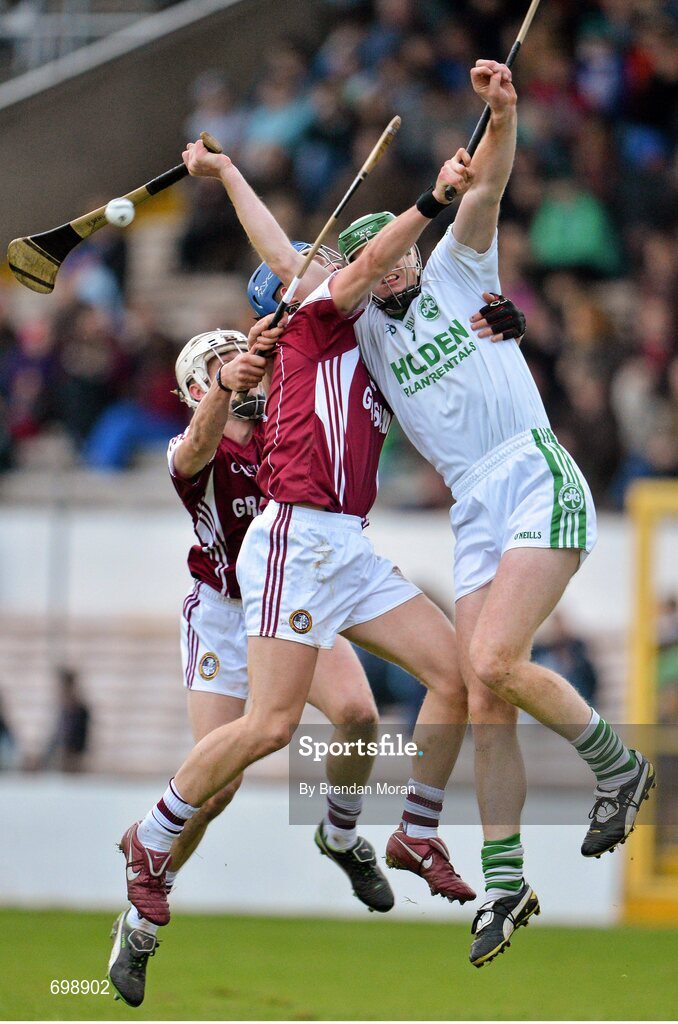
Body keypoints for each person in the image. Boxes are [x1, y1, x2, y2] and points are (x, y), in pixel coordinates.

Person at [182, 56, 655, 969]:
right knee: (482, 693)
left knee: (491, 660)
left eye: (394, 250)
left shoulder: (458, 268)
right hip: (472, 509)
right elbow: (287, 260)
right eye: (375, 256)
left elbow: (487, 188)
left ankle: (621, 766)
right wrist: (229, 171)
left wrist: (502, 113)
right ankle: (506, 879)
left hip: (530, 471)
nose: (391, 263)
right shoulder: (355, 330)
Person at [117, 143, 484, 948]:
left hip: (345, 545)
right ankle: (150, 836)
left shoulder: (368, 338)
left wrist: (226, 172)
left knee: (453, 674)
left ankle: (411, 829)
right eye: (324, 263)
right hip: (294, 540)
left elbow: (329, 264)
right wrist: (435, 195)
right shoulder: (319, 318)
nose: (320, 264)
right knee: (271, 728)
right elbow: (323, 261)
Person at [108, 320, 396, 1006]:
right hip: (224, 617)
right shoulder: (190, 446)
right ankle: (139, 926)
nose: (242, 369)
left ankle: (341, 831)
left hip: (293, 600)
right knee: (218, 789)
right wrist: (225, 391)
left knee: (358, 714)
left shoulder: (282, 430)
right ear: (195, 389)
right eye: (222, 365)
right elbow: (196, 449)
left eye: (244, 357)